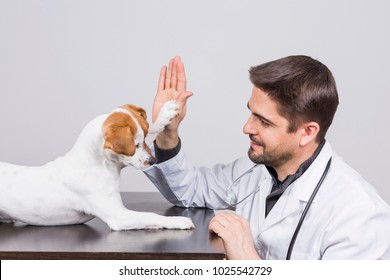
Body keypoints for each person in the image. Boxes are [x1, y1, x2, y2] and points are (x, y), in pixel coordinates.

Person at [143, 55, 390, 260]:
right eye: (251, 113)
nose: (247, 127)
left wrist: (246, 258)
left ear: (307, 132)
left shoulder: (360, 216)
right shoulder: (255, 170)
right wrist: (167, 132)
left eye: (264, 121)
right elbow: (188, 191)